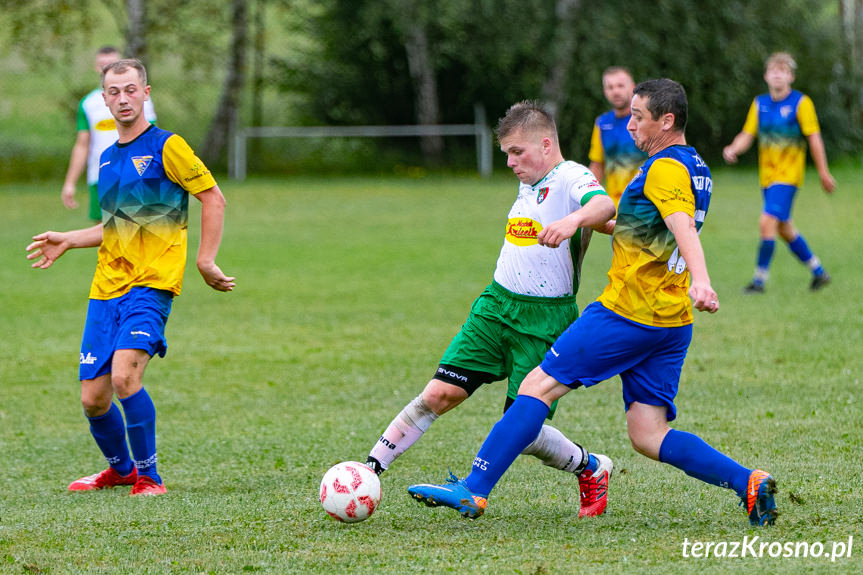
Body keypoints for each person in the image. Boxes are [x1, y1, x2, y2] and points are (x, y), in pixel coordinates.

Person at [408, 79, 779, 527]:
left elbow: (680, 226)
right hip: (670, 322)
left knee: (536, 388)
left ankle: (473, 488)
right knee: (648, 434)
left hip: (627, 312)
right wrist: (580, 220)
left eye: (638, 117)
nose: (630, 126)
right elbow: (643, 223)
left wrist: (703, 280)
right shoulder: (696, 166)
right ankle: (748, 482)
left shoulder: (664, 168)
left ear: (666, 121)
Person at [366, 100, 617, 517]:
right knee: (438, 393)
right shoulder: (529, 178)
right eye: (506, 154)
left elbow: (603, 205)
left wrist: (576, 222)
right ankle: (369, 469)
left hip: (544, 319)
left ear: (546, 142)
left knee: (521, 428)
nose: (511, 163)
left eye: (517, 152)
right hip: (495, 306)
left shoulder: (572, 175)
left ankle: (591, 467)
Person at [27, 59, 235, 496]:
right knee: (94, 399)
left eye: (130, 90)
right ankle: (121, 471)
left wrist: (205, 260)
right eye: (113, 92)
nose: (122, 98)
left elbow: (212, 198)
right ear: (103, 100)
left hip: (152, 283)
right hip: (106, 288)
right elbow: (116, 226)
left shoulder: (167, 146)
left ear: (145, 93)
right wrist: (69, 238)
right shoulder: (108, 159)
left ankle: (149, 477)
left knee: (125, 378)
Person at [723, 52, 835, 293]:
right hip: (767, 177)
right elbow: (747, 134)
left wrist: (824, 173)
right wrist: (733, 148)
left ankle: (759, 281)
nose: (777, 74)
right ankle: (818, 272)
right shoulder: (759, 104)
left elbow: (814, 139)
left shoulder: (801, 103)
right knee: (784, 229)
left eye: (783, 70)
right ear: (766, 75)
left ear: (791, 77)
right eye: (773, 70)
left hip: (788, 176)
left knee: (767, 222)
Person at [62, 46, 157, 221]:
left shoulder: (139, 99)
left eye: (112, 63)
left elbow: (150, 137)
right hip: (100, 175)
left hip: (134, 173)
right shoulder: (88, 103)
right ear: (97, 67)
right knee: (103, 232)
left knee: (135, 228)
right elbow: (82, 145)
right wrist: (70, 182)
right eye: (102, 64)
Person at [588, 67, 648, 209]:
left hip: (646, 204)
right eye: (610, 87)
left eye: (620, 86)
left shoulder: (647, 119)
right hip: (616, 208)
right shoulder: (602, 124)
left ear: (633, 88)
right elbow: (597, 165)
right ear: (605, 92)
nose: (615, 91)